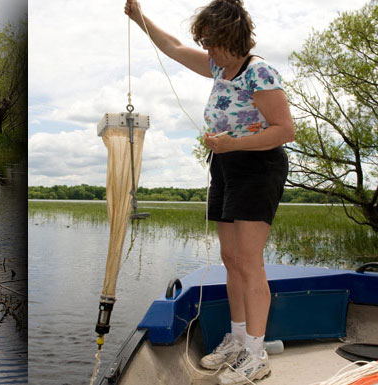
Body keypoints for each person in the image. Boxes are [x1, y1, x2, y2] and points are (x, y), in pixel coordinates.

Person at [124, 0, 294, 384]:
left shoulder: (259, 72)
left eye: (211, 41)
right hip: (227, 166)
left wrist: (232, 144)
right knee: (231, 257)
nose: (206, 48)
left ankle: (256, 353)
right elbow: (172, 47)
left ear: (231, 38)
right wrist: (139, 17)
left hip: (258, 168)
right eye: (204, 41)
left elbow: (284, 130)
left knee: (250, 262)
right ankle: (236, 339)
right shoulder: (217, 66)